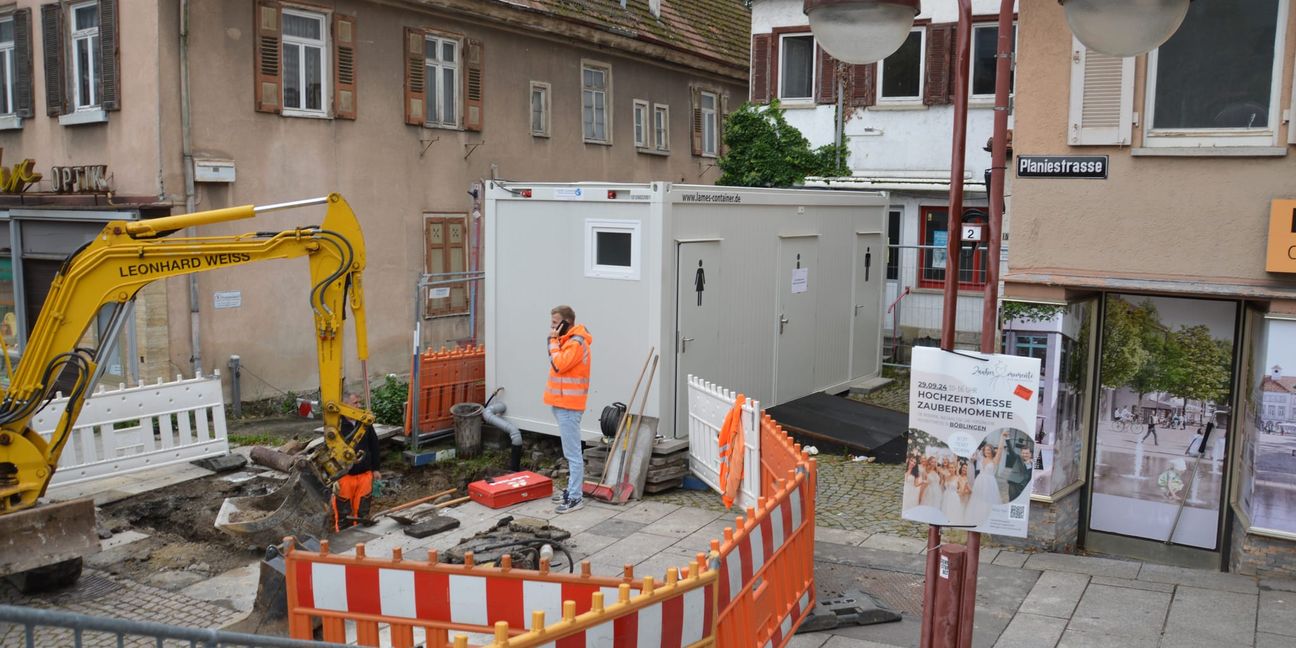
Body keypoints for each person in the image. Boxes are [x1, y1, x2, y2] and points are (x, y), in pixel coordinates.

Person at [545, 305, 593, 514]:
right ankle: (572, 491)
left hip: (569, 407)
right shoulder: (568, 341)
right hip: (562, 404)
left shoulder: (575, 344)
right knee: (570, 452)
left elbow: (559, 364)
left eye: (555, 324)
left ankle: (575, 498)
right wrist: (557, 341)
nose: (552, 328)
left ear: (567, 323)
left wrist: (553, 342)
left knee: (573, 455)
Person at [333, 392, 381, 531]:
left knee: (362, 511)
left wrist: (375, 469)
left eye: (359, 403)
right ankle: (343, 539)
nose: (359, 406)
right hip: (344, 477)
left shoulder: (364, 423)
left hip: (365, 475)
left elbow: (374, 445)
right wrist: (334, 478)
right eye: (355, 403)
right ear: (346, 406)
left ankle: (362, 537)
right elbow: (331, 451)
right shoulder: (336, 425)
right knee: (344, 513)